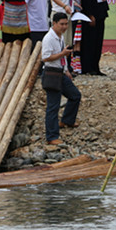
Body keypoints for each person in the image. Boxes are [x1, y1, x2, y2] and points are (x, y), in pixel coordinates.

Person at [41, 12, 81, 145]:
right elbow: (46, 57)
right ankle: (51, 136)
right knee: (53, 106)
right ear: (54, 23)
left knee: (75, 95)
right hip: (51, 74)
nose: (64, 27)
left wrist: (66, 70)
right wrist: (62, 54)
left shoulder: (60, 36)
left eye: (66, 24)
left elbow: (62, 56)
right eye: (61, 24)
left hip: (61, 72)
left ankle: (67, 120)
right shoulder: (49, 38)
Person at [81, 0, 110, 75]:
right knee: (89, 41)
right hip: (90, 14)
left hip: (101, 12)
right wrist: (89, 14)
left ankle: (96, 67)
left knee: (98, 41)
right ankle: (87, 68)